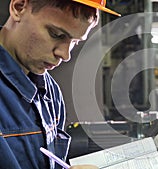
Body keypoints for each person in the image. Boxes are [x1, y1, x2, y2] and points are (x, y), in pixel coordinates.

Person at [0, 0, 119, 168]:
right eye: (56, 34)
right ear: (18, 7)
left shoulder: (50, 93)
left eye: (75, 42)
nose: (65, 54)